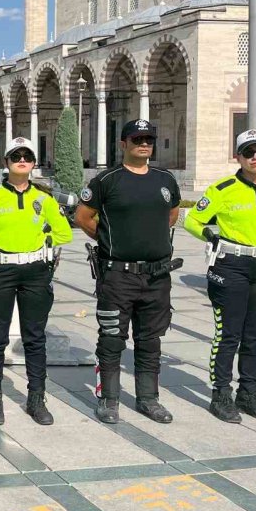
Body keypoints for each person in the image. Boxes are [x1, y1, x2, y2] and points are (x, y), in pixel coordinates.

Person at [74, 119, 180, 425]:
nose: (144, 144)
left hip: (157, 276)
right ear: (124, 144)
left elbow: (171, 214)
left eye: (148, 139)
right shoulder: (107, 181)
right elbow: (83, 217)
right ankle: (109, 399)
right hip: (118, 276)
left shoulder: (165, 179)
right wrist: (109, 239)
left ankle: (149, 399)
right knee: (111, 338)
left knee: (151, 339)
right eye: (137, 139)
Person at [185, 130, 256, 423]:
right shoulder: (223, 188)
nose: (255, 156)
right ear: (238, 156)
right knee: (229, 334)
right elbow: (193, 219)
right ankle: (221, 395)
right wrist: (210, 235)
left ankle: (248, 395)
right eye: (248, 151)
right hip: (231, 266)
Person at [0, 137, 72, 426]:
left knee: (35, 338)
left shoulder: (44, 198)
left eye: (27, 155)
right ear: (6, 163)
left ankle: (36, 399)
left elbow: (64, 232)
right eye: (15, 156)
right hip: (0, 271)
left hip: (35, 271)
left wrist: (48, 238)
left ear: (33, 163)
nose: (21, 160)